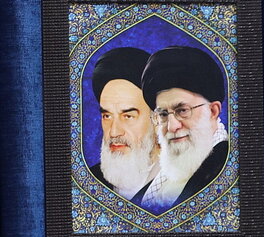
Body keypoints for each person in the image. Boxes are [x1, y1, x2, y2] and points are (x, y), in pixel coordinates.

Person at [135, 45, 229, 210]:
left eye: (182, 111)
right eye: (163, 114)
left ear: (213, 111)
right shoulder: (155, 185)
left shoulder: (229, 171)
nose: (172, 127)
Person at [88, 47, 160, 200]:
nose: (114, 132)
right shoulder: (89, 182)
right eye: (107, 116)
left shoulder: (188, 184)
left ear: (158, 119)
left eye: (128, 116)